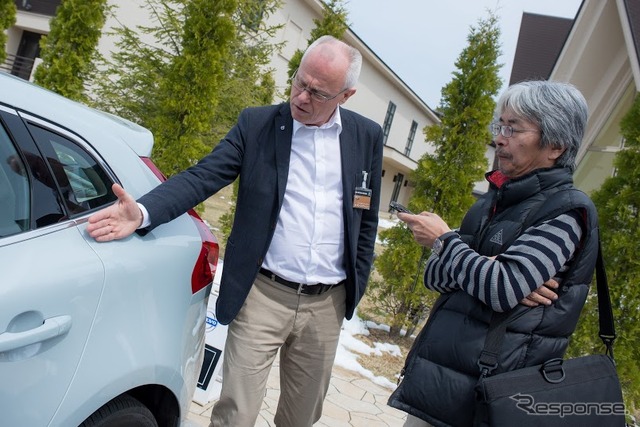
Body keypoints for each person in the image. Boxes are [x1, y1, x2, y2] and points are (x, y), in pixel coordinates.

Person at [87, 35, 383, 427]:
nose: (300, 97)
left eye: (317, 92)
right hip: (263, 295)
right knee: (236, 415)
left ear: (345, 96)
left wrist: (353, 288)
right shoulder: (257, 124)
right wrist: (143, 212)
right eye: (299, 81)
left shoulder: (367, 136)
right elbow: (203, 175)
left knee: (300, 418)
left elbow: (366, 218)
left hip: (326, 304)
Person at [387, 81, 599, 426]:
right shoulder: (492, 202)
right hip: (441, 385)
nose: (500, 138)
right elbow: (435, 277)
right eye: (500, 126)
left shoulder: (566, 212)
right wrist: (486, 268)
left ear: (556, 145)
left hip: (489, 398)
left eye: (513, 129)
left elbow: (501, 290)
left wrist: (445, 243)